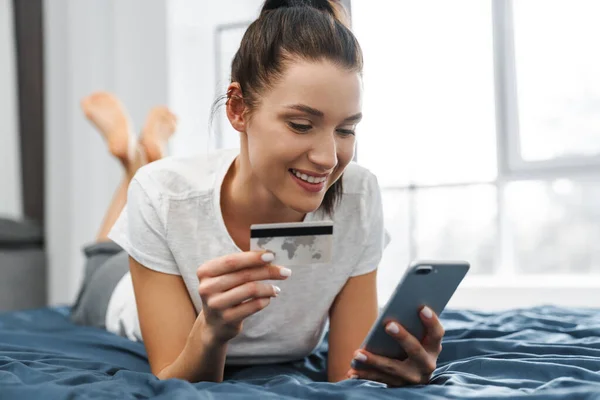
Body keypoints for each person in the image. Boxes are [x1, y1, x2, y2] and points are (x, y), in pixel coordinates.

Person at [72, 0, 446, 387]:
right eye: (301, 125)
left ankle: (143, 154)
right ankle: (135, 162)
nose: (328, 159)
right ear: (237, 109)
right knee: (102, 257)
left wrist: (396, 373)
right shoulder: (160, 194)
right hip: (119, 285)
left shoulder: (358, 195)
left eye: (346, 130)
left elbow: (346, 378)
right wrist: (211, 331)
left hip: (167, 202)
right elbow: (173, 380)